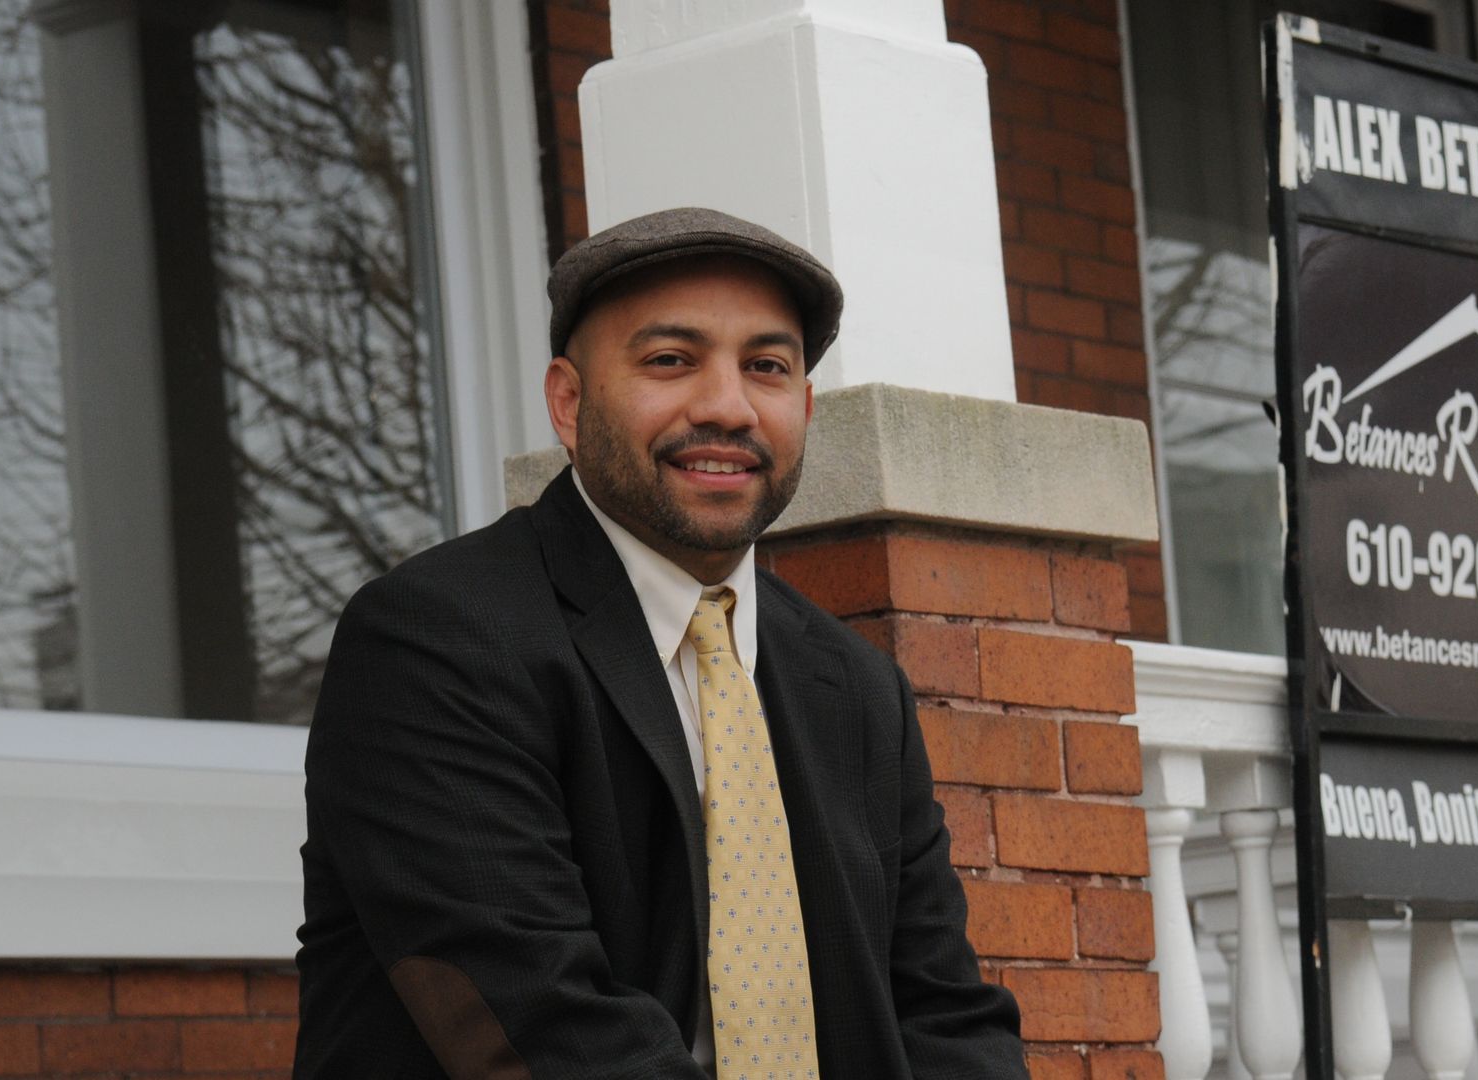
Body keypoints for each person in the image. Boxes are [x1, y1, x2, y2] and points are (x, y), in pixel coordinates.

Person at [293, 208, 1027, 1078]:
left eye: (766, 367)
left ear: (803, 406)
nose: (725, 406)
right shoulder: (437, 642)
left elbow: (945, 1015)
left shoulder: (858, 689)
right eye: (670, 361)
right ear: (568, 403)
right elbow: (540, 1024)